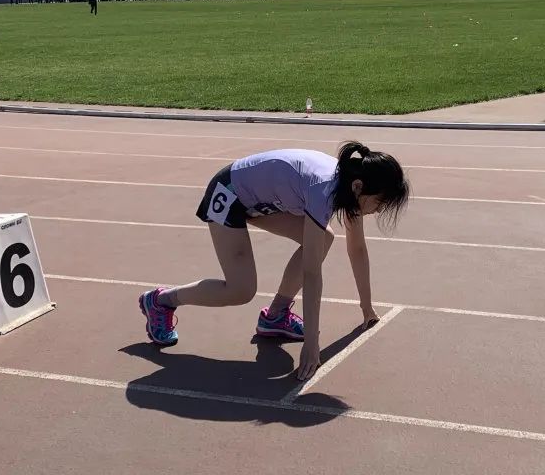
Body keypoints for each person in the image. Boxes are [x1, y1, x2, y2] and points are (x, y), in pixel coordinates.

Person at [138, 142, 410, 382]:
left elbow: (357, 249)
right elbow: (311, 272)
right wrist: (311, 344)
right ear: (359, 187)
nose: (379, 210)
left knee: (323, 238)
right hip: (229, 193)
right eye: (380, 202)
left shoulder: (350, 187)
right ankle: (161, 301)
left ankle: (276, 316)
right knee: (241, 290)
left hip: (261, 200)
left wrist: (366, 307)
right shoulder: (324, 190)